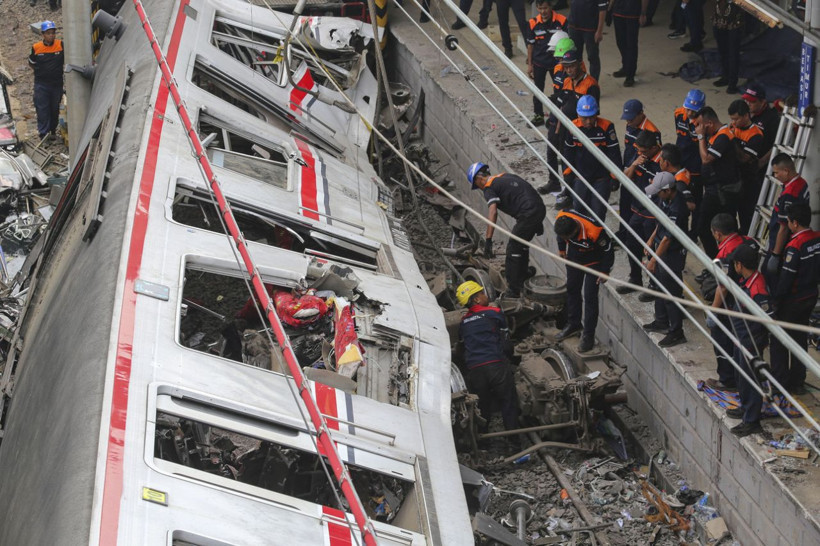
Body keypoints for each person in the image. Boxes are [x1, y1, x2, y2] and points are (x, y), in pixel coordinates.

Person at [467, 162, 547, 297]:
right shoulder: (506, 176)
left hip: (527, 214)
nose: (479, 188)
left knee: (513, 248)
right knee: (522, 244)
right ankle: (523, 273)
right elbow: (526, 189)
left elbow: (493, 212)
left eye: (477, 185)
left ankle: (513, 288)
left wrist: (488, 240)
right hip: (538, 208)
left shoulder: (488, 187)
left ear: (478, 178)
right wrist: (537, 219)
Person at [704, 213, 759, 392]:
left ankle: (727, 380)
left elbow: (723, 287)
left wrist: (713, 310)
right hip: (749, 296)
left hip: (732, 304)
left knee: (722, 339)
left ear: (718, 234)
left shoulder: (724, 255)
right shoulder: (750, 242)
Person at [455, 281, 519, 433]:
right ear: (476, 299)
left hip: (475, 370)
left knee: (482, 405)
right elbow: (506, 344)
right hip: (495, 364)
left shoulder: (464, 323)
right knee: (508, 401)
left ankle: (483, 440)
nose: (486, 295)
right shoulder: (494, 313)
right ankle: (514, 440)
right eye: (482, 293)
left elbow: (462, 347)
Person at [769, 203, 820, 394]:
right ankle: (798, 381)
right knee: (799, 339)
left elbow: (786, 280)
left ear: (795, 223)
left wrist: (775, 302)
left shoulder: (794, 246)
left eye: (789, 222)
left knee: (778, 339)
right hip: (811, 297)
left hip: (793, 300)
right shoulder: (817, 239)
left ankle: (780, 383)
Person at [724, 244, 772, 437]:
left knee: (750, 378)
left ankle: (752, 420)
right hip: (741, 338)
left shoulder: (758, 287)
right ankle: (745, 407)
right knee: (741, 375)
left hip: (751, 340)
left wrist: (761, 340)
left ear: (739, 265)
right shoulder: (748, 281)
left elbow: (768, 316)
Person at [553, 209, 614, 352]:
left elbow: (608, 250)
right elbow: (560, 236)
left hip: (594, 262)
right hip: (574, 258)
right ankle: (573, 323)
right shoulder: (562, 218)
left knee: (590, 297)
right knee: (572, 289)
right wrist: (562, 249)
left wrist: (605, 271)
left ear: (575, 231)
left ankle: (588, 336)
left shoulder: (595, 231)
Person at [641, 172, 690, 347]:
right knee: (659, 286)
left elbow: (668, 239)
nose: (656, 195)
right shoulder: (664, 199)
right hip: (661, 248)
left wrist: (653, 260)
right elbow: (660, 224)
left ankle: (676, 331)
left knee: (671, 294)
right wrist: (650, 240)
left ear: (668, 190)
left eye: (659, 192)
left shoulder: (678, 208)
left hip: (672, 253)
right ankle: (661, 320)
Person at [563, 95, 621, 220]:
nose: (588, 122)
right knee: (579, 209)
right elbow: (568, 151)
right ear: (578, 115)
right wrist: (567, 171)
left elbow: (614, 153)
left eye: (591, 117)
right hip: (580, 177)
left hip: (601, 179)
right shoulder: (572, 127)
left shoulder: (607, 127)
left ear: (597, 114)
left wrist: (615, 177)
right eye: (585, 118)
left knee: (598, 213)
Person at [618, 130, 661, 295]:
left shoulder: (661, 162)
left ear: (653, 148)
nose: (641, 154)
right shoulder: (639, 157)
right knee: (632, 244)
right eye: (639, 151)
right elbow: (625, 178)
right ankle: (635, 278)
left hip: (653, 214)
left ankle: (653, 284)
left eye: (644, 151)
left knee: (651, 250)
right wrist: (635, 164)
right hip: (638, 210)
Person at [694, 106, 738, 259]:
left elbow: (706, 159)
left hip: (721, 192)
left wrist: (700, 138)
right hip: (715, 190)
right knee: (712, 228)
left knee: (704, 227)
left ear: (709, 124)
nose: (697, 128)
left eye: (700, 125)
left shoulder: (723, 137)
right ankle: (717, 261)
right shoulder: (715, 135)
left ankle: (717, 263)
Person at [618, 99, 661, 237]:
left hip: (641, 174)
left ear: (641, 114)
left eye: (631, 118)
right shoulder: (630, 125)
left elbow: (655, 156)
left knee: (636, 208)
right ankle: (623, 232)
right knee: (624, 204)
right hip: (630, 169)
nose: (628, 122)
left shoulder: (651, 132)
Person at [763, 153, 809, 282]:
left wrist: (776, 255)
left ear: (786, 171)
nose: (775, 176)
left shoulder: (789, 194)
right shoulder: (801, 183)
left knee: (769, 275)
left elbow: (783, 228)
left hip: (782, 243)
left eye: (777, 173)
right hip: (794, 239)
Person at [527, 1, 568, 126]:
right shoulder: (533, 23)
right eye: (540, 8)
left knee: (559, 91)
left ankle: (555, 117)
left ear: (550, 7)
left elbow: (567, 42)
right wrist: (530, 64)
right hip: (539, 63)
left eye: (545, 8)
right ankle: (538, 115)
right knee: (538, 90)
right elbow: (530, 45)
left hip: (557, 64)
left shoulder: (562, 21)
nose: (542, 11)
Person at [728, 100, 765, 234]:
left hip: (748, 182)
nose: (733, 122)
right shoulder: (732, 127)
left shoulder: (756, 134)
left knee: (746, 216)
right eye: (732, 119)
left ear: (746, 116)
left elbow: (745, 159)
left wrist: (731, 140)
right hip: (733, 179)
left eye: (736, 119)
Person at [675, 89, 705, 244]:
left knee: (696, 203)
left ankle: (694, 234)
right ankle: (681, 230)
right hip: (680, 164)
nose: (690, 113)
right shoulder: (678, 114)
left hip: (696, 167)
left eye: (694, 111)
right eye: (688, 110)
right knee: (680, 198)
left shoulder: (704, 122)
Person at [28, 21, 64, 140]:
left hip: (56, 84)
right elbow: (32, 63)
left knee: (54, 109)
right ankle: (43, 134)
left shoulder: (60, 45)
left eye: (53, 33)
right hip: (41, 85)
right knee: (42, 109)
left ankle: (52, 131)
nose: (51, 35)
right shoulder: (36, 48)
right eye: (48, 33)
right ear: (43, 34)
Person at [611, 0, 648, 87]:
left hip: (633, 13)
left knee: (631, 45)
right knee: (620, 42)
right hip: (618, 11)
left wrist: (643, 13)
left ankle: (630, 74)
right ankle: (626, 66)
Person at [568, 0, 607, 81]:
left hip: (590, 30)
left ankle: (593, 84)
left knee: (593, 57)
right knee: (575, 58)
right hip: (574, 28)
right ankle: (578, 83)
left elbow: (602, 10)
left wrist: (599, 31)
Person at [712, 0, 744, 94]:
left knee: (733, 53)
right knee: (722, 51)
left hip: (734, 21)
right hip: (719, 18)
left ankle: (732, 83)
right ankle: (725, 77)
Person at [744, 83, 780, 163]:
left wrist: (761, 162)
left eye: (752, 101)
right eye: (746, 100)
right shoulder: (744, 110)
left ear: (763, 102)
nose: (747, 104)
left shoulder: (772, 119)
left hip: (760, 162)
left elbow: (777, 145)